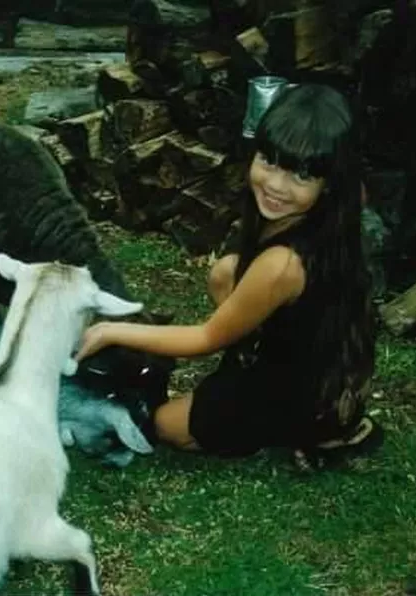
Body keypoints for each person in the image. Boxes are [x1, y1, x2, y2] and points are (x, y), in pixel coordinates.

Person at [74, 83, 384, 472]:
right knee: (225, 273)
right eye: (269, 161)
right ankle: (267, 373)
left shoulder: (282, 266)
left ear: (328, 183)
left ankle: (321, 430)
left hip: (304, 387)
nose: (275, 184)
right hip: (326, 356)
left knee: (166, 425)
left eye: (300, 175)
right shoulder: (344, 204)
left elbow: (205, 339)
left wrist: (111, 331)